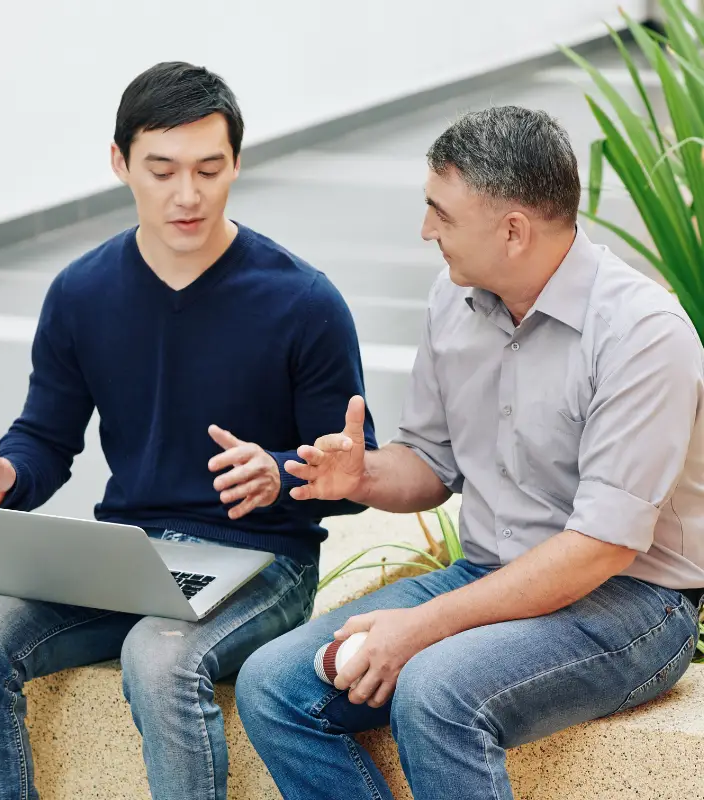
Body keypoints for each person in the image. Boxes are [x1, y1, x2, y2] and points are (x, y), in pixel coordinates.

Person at [0, 61, 376, 800]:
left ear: (236, 164)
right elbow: (45, 436)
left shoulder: (304, 301)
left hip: (265, 563)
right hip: (133, 556)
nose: (186, 194)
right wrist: (5, 476)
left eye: (208, 168)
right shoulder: (81, 293)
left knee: (160, 660)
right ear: (119, 162)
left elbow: (352, 474)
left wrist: (284, 472)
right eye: (161, 170)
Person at [235, 106, 704, 800]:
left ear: (512, 230)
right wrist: (363, 475)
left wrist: (417, 629)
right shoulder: (454, 302)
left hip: (634, 603)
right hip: (487, 574)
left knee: (436, 693)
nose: (426, 231)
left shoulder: (643, 334)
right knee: (273, 685)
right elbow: (430, 464)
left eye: (442, 214)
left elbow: (599, 548)